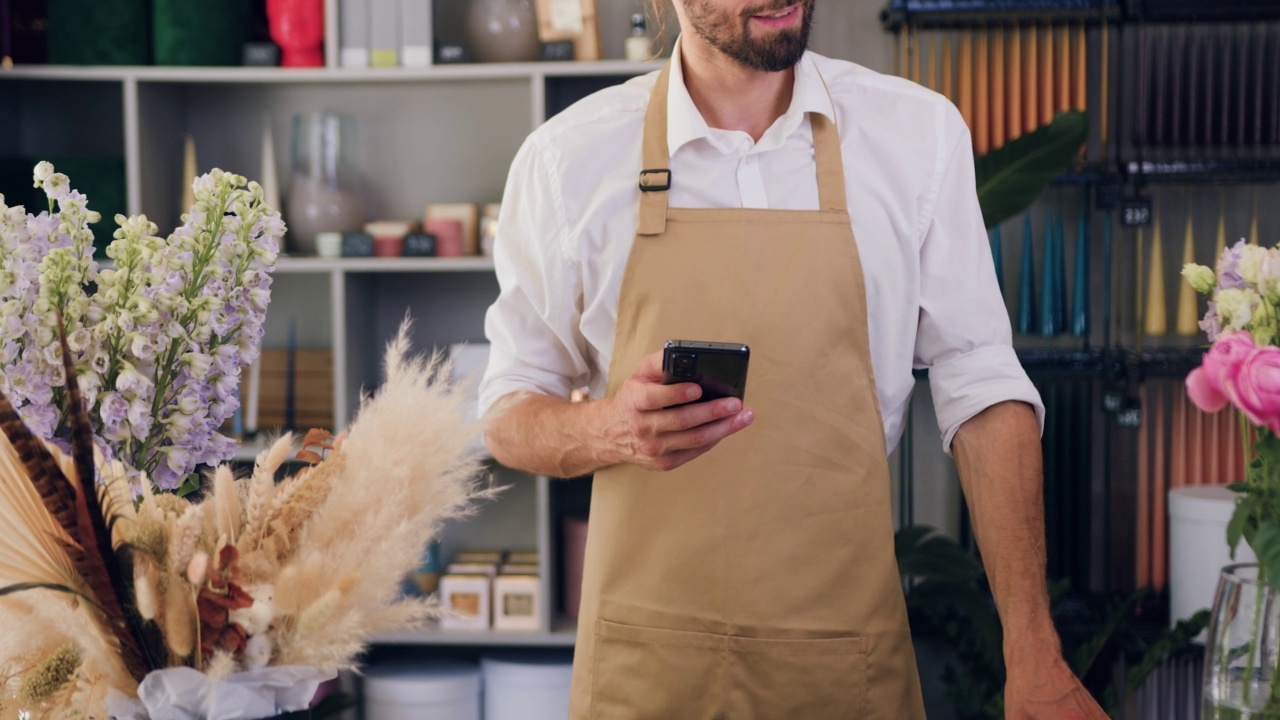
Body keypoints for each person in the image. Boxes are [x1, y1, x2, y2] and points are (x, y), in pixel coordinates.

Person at [478, 0, 1107, 717]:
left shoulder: (916, 136)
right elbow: (508, 412)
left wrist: (1031, 648)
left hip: (843, 664)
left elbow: (982, 385)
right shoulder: (567, 161)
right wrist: (609, 430)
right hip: (645, 671)